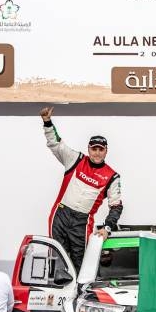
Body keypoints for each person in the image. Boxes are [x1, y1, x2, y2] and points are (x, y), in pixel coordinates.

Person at [40, 107, 122, 270]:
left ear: (106, 151)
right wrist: (47, 122)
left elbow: (116, 206)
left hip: (82, 221)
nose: (97, 153)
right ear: (88, 148)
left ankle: (81, 294)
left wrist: (107, 228)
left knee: (81, 263)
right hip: (61, 214)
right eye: (94, 148)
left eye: (101, 149)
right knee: (56, 261)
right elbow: (56, 144)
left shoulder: (112, 176)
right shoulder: (75, 159)